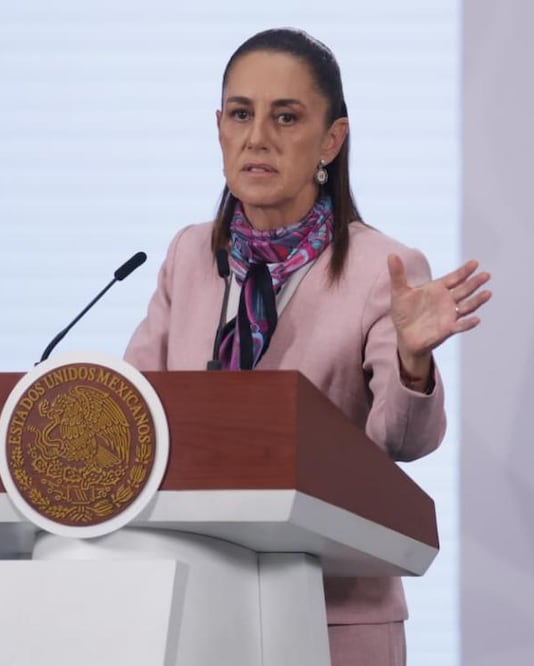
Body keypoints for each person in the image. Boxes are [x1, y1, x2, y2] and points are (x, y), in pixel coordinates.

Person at [123, 27, 490, 666]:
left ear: (331, 139)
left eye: (285, 117)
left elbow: (404, 442)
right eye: (241, 114)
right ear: (219, 129)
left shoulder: (385, 267)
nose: (257, 136)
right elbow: (134, 416)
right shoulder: (188, 256)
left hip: (335, 613)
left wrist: (412, 360)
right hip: (197, 602)